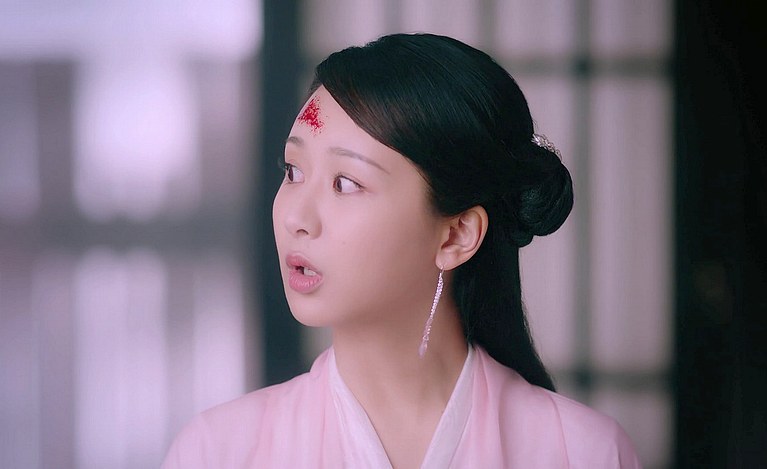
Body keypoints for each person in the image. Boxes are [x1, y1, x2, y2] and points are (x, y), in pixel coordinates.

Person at [162, 32, 642, 468]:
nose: (295, 218)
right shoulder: (218, 451)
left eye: (345, 183)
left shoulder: (583, 452)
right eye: (293, 171)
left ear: (456, 235)